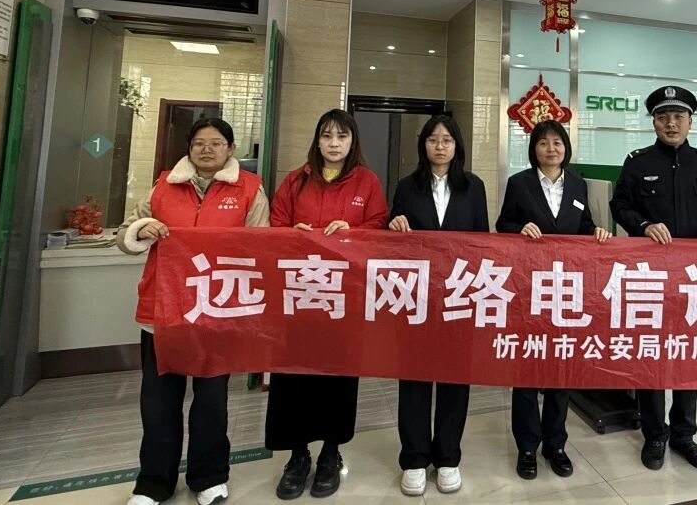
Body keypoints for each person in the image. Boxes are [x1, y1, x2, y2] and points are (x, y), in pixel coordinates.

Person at [118, 118, 270, 505]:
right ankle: (153, 483)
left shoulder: (249, 188)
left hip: (217, 311)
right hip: (163, 311)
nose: (207, 149)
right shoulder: (163, 185)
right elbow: (125, 232)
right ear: (189, 147)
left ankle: (209, 478)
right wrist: (142, 229)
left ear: (231, 149)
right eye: (199, 142)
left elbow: (262, 245)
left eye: (216, 143)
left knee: (211, 401)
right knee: (159, 402)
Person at [265, 109, 389, 500]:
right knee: (294, 378)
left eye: (342, 136)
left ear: (353, 141)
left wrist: (354, 231)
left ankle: (331, 454)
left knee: (338, 377)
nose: (334, 143)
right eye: (327, 136)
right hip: (299, 295)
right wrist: (293, 233)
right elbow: (274, 227)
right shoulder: (295, 180)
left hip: (344, 297)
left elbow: (380, 227)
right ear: (317, 140)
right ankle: (297, 455)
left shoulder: (367, 181)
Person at [609, 85, 697, 473]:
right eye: (663, 117)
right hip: (650, 279)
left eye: (678, 117)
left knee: (688, 354)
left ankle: (684, 434)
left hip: (695, 279)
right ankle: (654, 434)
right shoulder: (637, 162)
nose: (671, 123)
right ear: (654, 123)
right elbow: (619, 205)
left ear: (690, 122)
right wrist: (644, 224)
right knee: (652, 355)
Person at [496, 120, 611, 481]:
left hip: (566, 290)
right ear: (534, 149)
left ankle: (555, 445)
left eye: (557, 142)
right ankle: (527, 447)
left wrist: (596, 231)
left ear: (566, 148)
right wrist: (519, 228)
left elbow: (584, 225)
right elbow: (502, 224)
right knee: (528, 371)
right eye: (543, 143)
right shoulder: (519, 183)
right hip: (530, 289)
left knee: (561, 368)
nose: (551, 149)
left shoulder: (578, 184)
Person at [388, 115, 489, 496]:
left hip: (459, 296)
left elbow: (483, 241)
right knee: (414, 378)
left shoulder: (473, 187)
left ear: (457, 145)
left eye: (447, 139)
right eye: (433, 139)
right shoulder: (406, 186)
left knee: (454, 379)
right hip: (416, 297)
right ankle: (414, 458)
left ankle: (448, 456)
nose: (440, 146)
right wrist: (393, 225)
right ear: (423, 145)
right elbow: (390, 240)